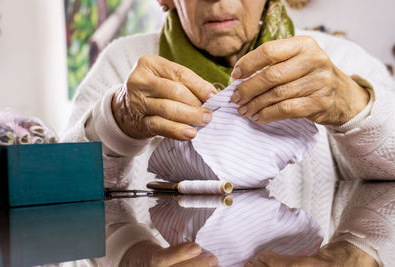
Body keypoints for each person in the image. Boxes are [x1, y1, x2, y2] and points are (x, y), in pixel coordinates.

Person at [62, 0, 395, 266]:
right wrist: (116, 120)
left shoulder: (338, 60)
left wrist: (352, 106)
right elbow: (61, 186)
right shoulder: (122, 64)